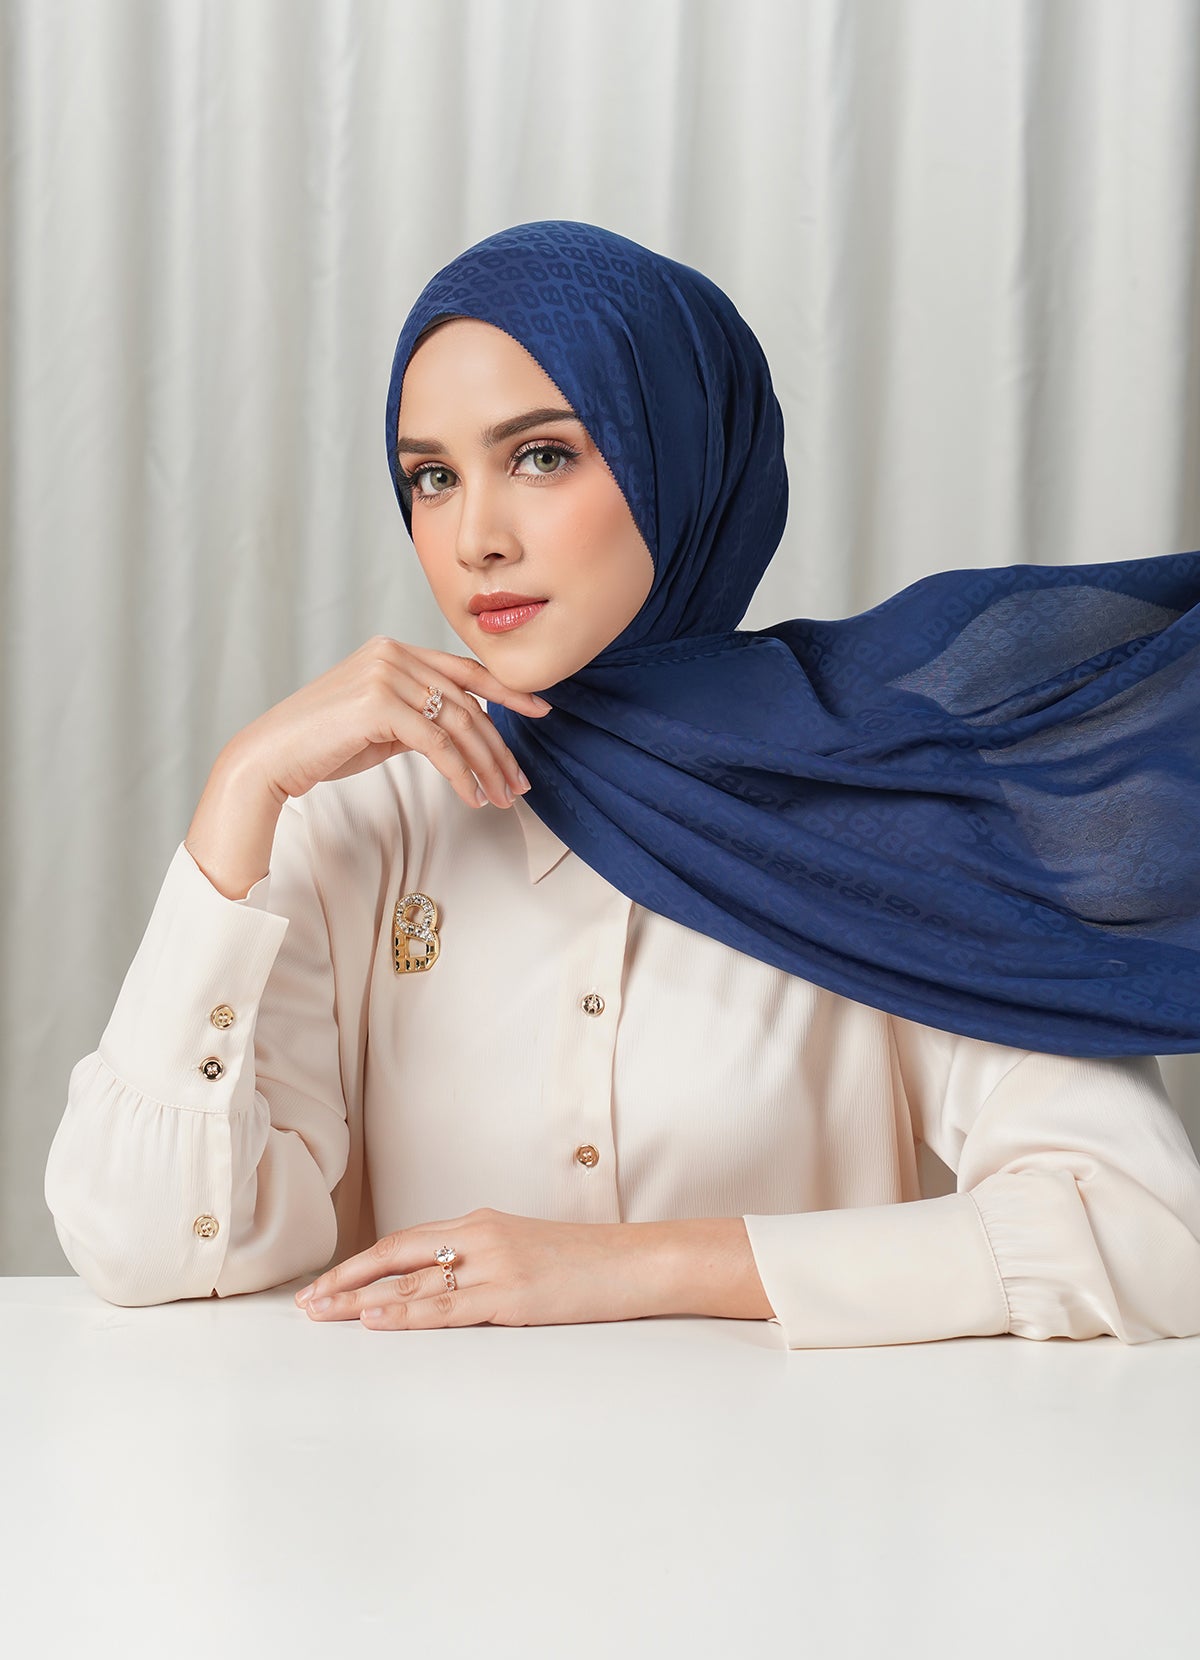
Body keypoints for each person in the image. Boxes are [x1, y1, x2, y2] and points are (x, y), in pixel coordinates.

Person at [44, 220, 1200, 1348]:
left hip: (801, 1478)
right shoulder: (360, 822)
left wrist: (628, 1268)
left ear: (680, 460)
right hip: (424, 1477)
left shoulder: (884, 803)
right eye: (433, 478)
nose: (476, 538)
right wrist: (240, 790)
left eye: (542, 456)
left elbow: (1147, 1231)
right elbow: (149, 1251)